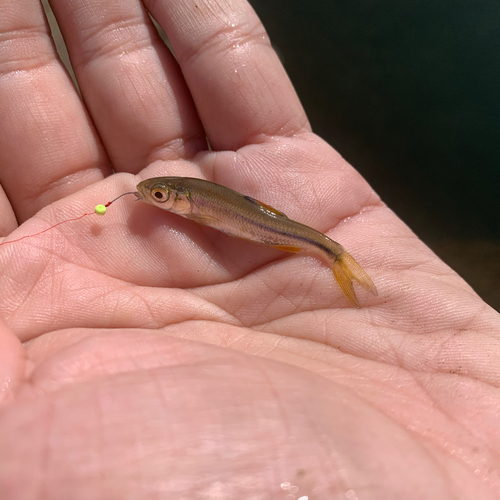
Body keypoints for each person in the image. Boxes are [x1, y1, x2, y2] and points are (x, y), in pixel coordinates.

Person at [0, 0, 499, 498]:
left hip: (280, 233)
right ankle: (332, 255)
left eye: (158, 197)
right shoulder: (187, 200)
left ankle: (334, 257)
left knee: (310, 243)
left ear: (179, 199)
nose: (152, 202)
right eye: (154, 196)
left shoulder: (195, 203)